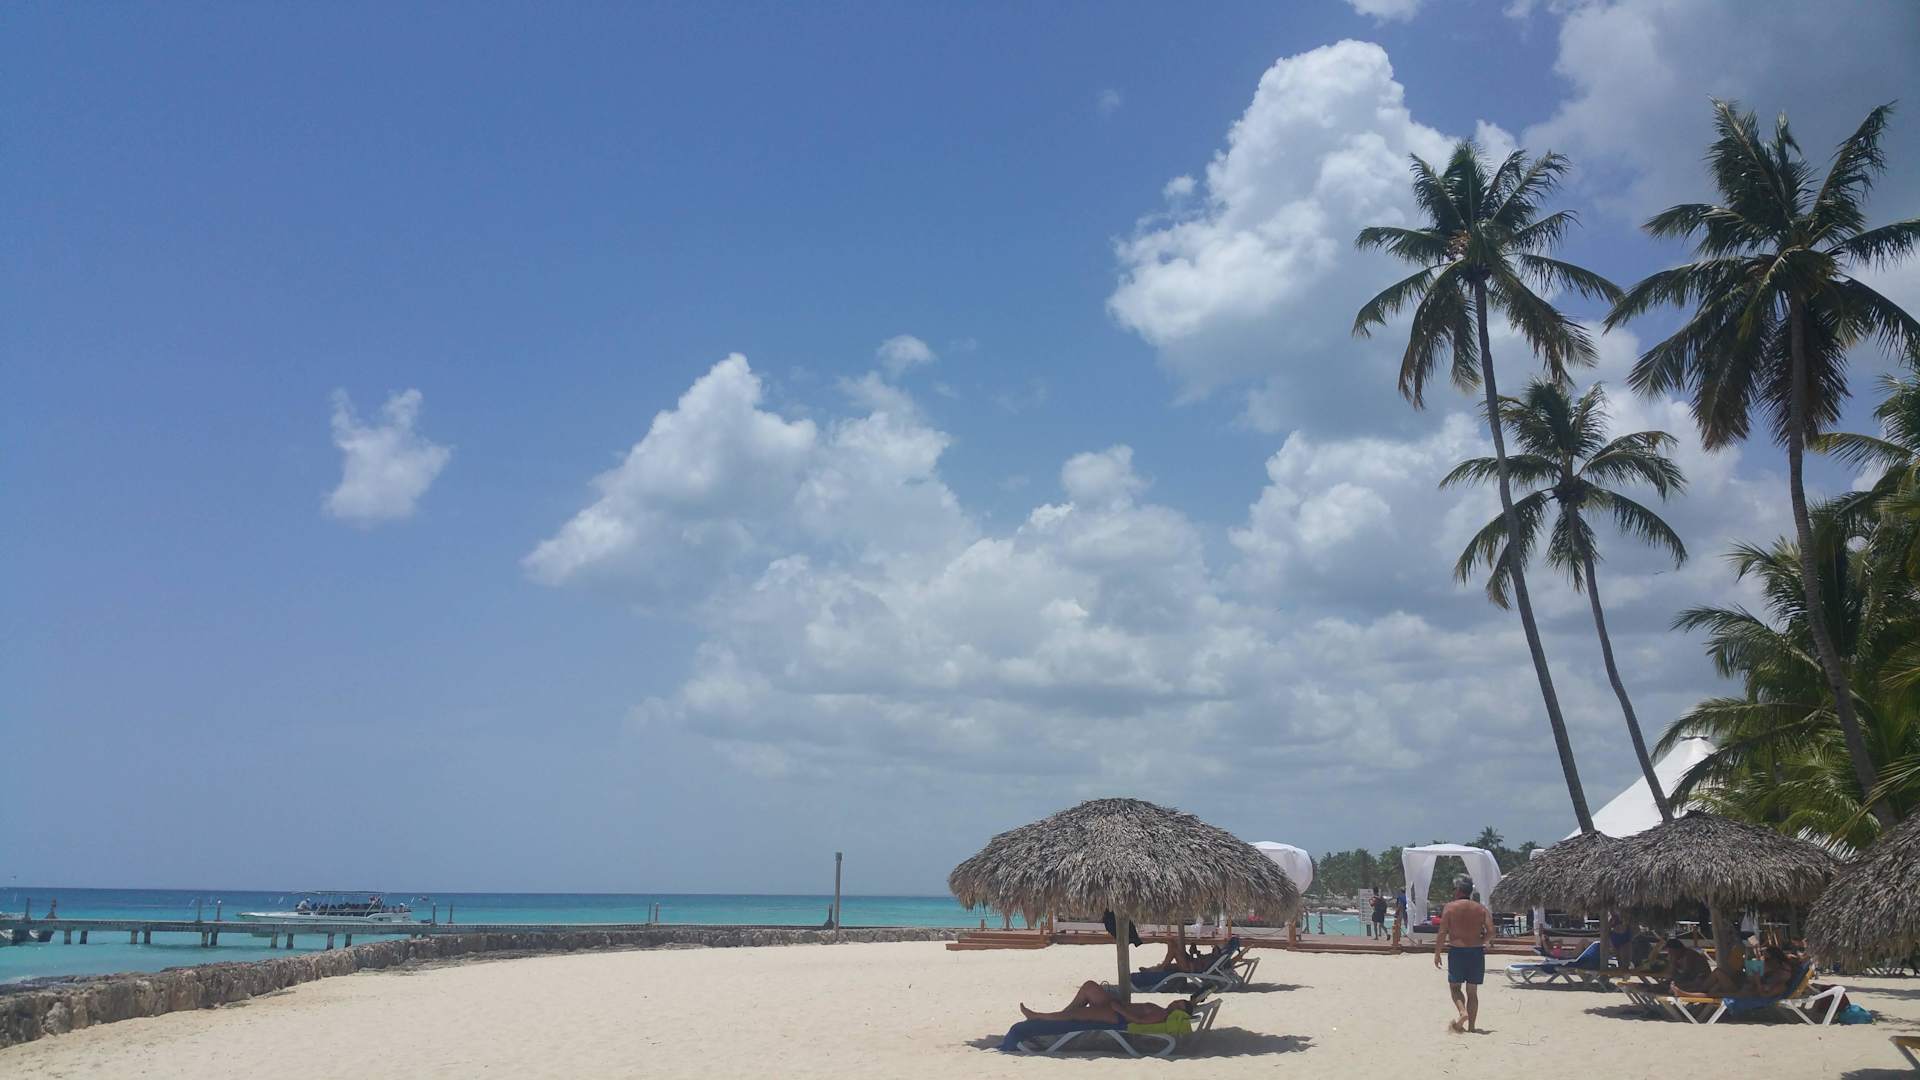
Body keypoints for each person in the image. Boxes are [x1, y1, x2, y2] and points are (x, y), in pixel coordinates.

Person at [1434, 875, 1494, 1033]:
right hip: (1476, 952)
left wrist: (1437, 953)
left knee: (1455, 988)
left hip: (1457, 951)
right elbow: (1491, 931)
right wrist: (1481, 941)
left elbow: (1442, 932)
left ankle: (1462, 1012)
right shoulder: (1481, 908)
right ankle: (1472, 1027)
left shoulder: (1450, 907)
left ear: (1459, 890)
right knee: (1472, 991)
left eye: (1454, 889)